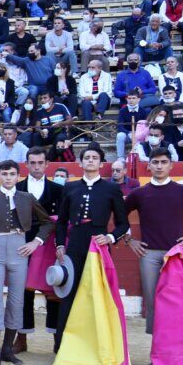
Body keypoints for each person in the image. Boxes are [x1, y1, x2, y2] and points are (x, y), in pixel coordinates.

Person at [125, 149, 183, 356]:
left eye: (163, 162)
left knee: (178, 303)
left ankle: (179, 352)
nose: (159, 166)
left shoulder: (182, 191)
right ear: (148, 166)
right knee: (153, 304)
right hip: (148, 255)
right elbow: (120, 215)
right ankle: (158, 353)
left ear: (171, 165)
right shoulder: (140, 193)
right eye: (155, 162)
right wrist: (129, 239)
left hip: (175, 255)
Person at [0, 160, 54, 365]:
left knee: (17, 300)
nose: (8, 177)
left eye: (11, 174)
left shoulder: (26, 197)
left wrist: (36, 242)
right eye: (4, 174)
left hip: (20, 248)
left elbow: (47, 222)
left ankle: (7, 349)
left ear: (18, 176)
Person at [53, 145, 129, 352]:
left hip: (99, 246)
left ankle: (97, 345)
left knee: (97, 294)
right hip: (75, 244)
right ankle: (62, 345)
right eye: (87, 157)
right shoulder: (70, 188)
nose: (90, 161)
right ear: (81, 163)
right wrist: (60, 243)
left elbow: (124, 224)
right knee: (70, 293)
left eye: (95, 158)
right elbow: (61, 222)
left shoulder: (111, 189)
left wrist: (111, 237)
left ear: (101, 164)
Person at [10, 147, 65, 352]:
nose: (36, 166)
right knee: (22, 290)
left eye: (40, 163)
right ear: (26, 164)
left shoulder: (58, 190)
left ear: (47, 164)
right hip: (22, 243)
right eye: (32, 163)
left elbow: (61, 221)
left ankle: (56, 338)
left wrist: (60, 243)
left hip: (47, 243)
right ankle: (22, 337)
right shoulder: (17, 187)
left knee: (53, 289)